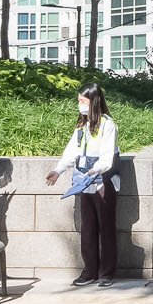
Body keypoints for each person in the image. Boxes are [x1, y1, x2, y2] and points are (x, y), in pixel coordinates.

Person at [45, 85, 120, 286]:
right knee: (88, 228)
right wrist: (58, 170)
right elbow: (72, 151)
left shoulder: (107, 124)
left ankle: (106, 272)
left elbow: (107, 156)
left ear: (94, 102)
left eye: (83, 102)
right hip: (83, 182)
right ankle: (89, 271)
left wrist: (95, 170)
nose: (80, 106)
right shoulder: (81, 125)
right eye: (79, 101)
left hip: (101, 181)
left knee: (106, 227)